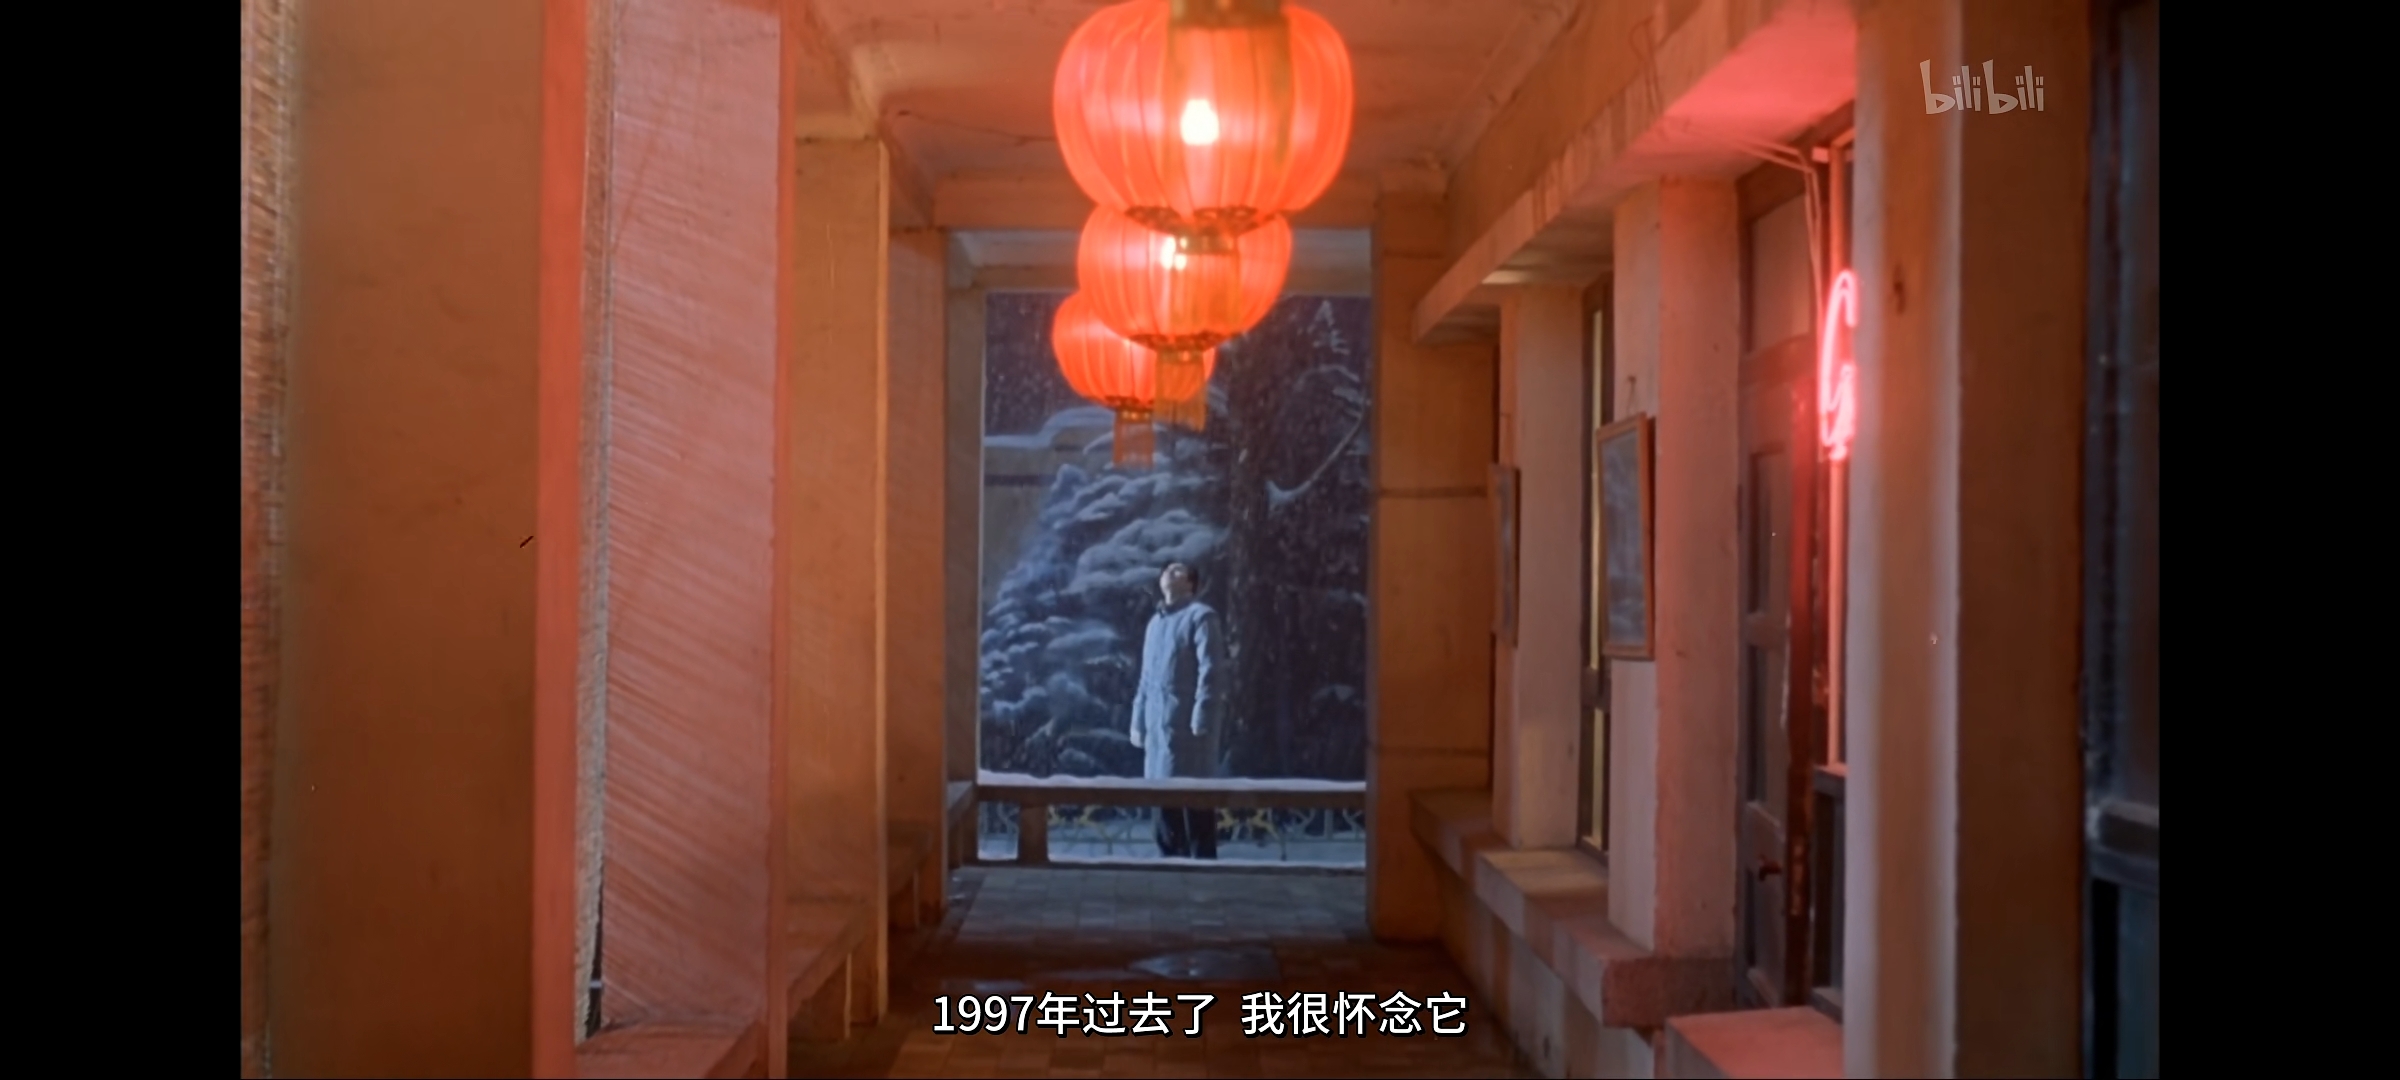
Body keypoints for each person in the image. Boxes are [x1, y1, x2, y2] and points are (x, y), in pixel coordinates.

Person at [1128, 562, 1227, 859]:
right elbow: (1146, 678)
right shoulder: (1155, 624)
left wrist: (1203, 714)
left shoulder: (1202, 617)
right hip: (1158, 729)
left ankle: (1203, 874)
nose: (1170, 572)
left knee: (1195, 804)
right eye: (1167, 569)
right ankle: (1168, 870)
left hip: (1188, 728)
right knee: (1163, 807)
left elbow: (1211, 670)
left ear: (1191, 583)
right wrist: (1138, 721)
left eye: (1178, 569)